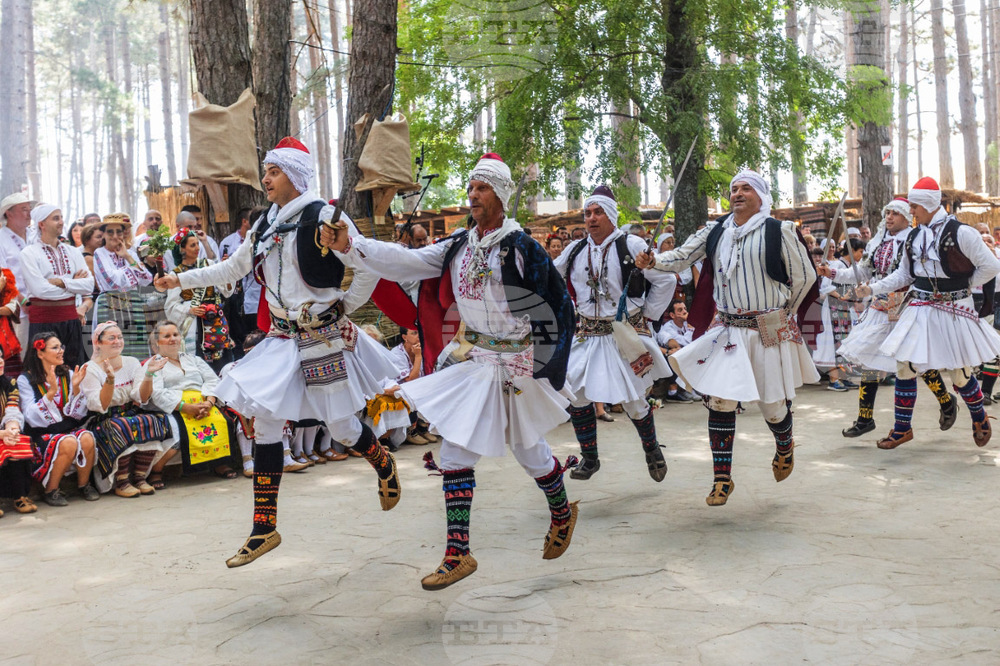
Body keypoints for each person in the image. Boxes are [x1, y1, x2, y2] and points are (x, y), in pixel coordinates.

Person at [328, 152, 578, 590]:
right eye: (471, 188)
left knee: (529, 451)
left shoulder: (522, 248)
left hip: (519, 365)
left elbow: (559, 308)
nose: (473, 195)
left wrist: (549, 365)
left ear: (500, 194)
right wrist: (353, 245)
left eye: (481, 188)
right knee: (457, 452)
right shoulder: (460, 245)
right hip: (479, 362)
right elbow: (406, 260)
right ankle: (458, 552)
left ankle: (560, 510)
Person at [154, 136, 402, 568]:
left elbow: (365, 266)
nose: (265, 178)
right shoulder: (266, 222)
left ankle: (382, 461)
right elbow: (234, 268)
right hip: (282, 338)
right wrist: (181, 281)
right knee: (265, 421)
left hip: (322, 337)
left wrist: (344, 306)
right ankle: (264, 527)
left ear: (295, 175)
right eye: (266, 171)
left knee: (342, 428)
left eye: (273, 171)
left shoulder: (324, 215)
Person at [636, 170, 818, 506]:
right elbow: (681, 257)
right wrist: (654, 261)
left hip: (767, 330)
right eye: (734, 188)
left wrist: (784, 314)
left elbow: (805, 277)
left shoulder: (780, 231)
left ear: (761, 196)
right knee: (720, 401)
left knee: (772, 406)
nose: (737, 193)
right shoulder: (715, 230)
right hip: (728, 330)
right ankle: (722, 479)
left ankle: (784, 444)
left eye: (746, 188)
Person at [854, 177, 1000, 449]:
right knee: (905, 364)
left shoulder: (962, 232)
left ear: (930, 204)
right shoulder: (913, 234)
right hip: (920, 306)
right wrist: (872, 288)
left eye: (915, 206)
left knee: (960, 373)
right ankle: (902, 428)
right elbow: (904, 274)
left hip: (955, 308)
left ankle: (979, 416)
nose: (911, 211)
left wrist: (963, 285)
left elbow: (991, 266)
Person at [553, 185, 675, 482]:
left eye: (598, 212)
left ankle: (651, 449)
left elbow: (666, 280)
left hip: (622, 335)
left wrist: (646, 314)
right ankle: (590, 457)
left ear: (610, 215)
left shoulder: (631, 244)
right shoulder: (576, 249)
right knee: (576, 392)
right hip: (587, 334)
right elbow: (550, 275)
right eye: (588, 213)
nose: (591, 218)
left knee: (633, 398)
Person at [816, 198, 956, 437]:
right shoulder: (878, 242)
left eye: (894, 213)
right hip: (881, 306)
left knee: (913, 362)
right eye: (887, 213)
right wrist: (834, 272)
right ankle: (864, 419)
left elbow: (912, 276)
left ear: (906, 216)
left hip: (908, 306)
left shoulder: (917, 240)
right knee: (870, 360)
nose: (888, 217)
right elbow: (863, 272)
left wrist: (874, 288)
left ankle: (945, 401)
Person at [139, 321, 238, 487]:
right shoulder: (154, 364)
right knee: (180, 434)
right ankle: (156, 470)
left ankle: (218, 463)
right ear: (157, 342)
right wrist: (185, 407)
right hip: (175, 406)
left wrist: (209, 402)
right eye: (167, 336)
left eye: (175, 335)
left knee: (222, 422)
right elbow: (157, 393)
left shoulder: (193, 359)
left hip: (203, 403)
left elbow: (212, 380)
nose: (173, 339)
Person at [79, 322, 173, 496]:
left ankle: (139, 477)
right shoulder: (90, 369)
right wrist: (109, 379)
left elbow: (141, 397)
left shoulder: (131, 362)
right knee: (120, 426)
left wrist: (149, 375)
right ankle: (121, 481)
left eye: (120, 337)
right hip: (103, 417)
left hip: (130, 412)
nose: (117, 341)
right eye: (111, 338)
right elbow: (100, 405)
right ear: (98, 343)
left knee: (154, 419)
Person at [20, 332, 99, 506]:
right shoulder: (25, 380)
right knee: (68, 442)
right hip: (41, 433)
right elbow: (30, 417)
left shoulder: (68, 374)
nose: (61, 351)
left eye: (61, 346)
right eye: (55, 347)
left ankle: (84, 485)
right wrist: (50, 393)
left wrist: (77, 389)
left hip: (66, 428)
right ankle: (51, 490)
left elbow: (77, 413)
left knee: (86, 437)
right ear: (40, 353)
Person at [20, 205, 94, 366]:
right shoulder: (29, 253)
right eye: (55, 218)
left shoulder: (72, 252)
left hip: (71, 322)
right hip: (43, 323)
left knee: (74, 369)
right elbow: (40, 290)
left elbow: (89, 285)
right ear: (41, 224)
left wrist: (62, 282)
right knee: (44, 372)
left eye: (61, 217)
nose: (61, 222)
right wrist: (74, 284)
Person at [164, 227, 235, 371]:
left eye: (197, 244)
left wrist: (226, 270)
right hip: (194, 326)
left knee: (222, 363)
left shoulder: (209, 265)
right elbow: (170, 306)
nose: (197, 248)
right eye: (192, 245)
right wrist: (189, 309)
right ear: (182, 249)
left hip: (215, 322)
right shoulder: (175, 273)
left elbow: (226, 291)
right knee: (199, 363)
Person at [90, 213, 156, 358]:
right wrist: (133, 271)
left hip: (133, 302)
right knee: (111, 348)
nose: (115, 236)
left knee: (137, 347)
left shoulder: (130, 253)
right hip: (109, 303)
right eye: (110, 232)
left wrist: (127, 256)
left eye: (118, 231)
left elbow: (147, 279)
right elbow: (112, 281)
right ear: (103, 234)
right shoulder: (99, 253)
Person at [0, 346, 34, 515]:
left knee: (17, 442)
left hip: (3, 431)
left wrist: (12, 429)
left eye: (0, 356)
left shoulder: (9, 383)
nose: (0, 361)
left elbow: (12, 408)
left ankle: (19, 496)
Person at [654, 300, 696, 403]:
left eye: (685, 309)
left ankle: (692, 387)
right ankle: (677, 391)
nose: (685, 312)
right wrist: (691, 329)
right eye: (680, 310)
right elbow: (682, 343)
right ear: (672, 315)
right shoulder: (667, 328)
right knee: (677, 353)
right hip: (665, 356)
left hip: (682, 353)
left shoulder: (687, 324)